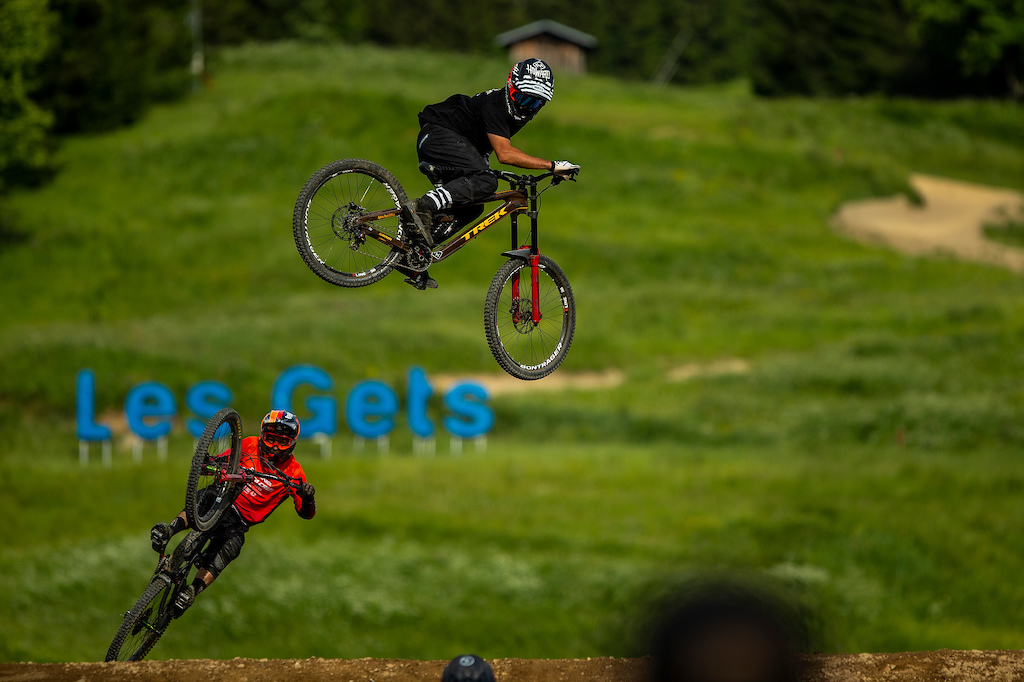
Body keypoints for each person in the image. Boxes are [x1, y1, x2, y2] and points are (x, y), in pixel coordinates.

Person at [400, 58, 580, 290]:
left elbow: (481, 147)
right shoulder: (497, 104)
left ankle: (414, 253)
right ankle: (423, 206)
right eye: (524, 98)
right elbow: (504, 153)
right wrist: (551, 165)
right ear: (511, 87)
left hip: (447, 142)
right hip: (439, 135)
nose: (527, 107)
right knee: (486, 182)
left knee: (474, 205)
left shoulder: (512, 111)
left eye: (536, 103)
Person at [149, 409, 317, 617]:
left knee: (231, 548)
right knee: (204, 497)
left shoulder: (295, 472)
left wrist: (308, 497)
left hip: (239, 522)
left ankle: (192, 591)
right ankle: (168, 529)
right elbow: (219, 462)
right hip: (221, 498)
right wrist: (207, 464)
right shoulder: (249, 444)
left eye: (281, 442)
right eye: (270, 439)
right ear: (262, 435)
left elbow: (306, 513)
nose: (274, 446)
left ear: (292, 443)